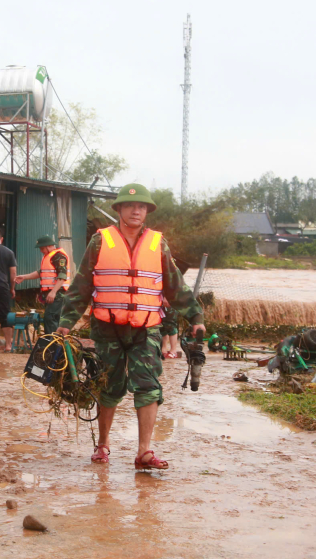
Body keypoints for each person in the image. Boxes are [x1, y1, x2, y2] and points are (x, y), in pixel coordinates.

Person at [57, 183, 205, 471]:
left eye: (142, 207)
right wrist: (66, 322)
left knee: (148, 385)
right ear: (120, 210)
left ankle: (144, 451)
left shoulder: (157, 243)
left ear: (147, 212)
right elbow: (81, 285)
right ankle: (102, 444)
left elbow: (175, 285)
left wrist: (195, 316)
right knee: (109, 386)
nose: (136, 211)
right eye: (130, 206)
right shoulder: (100, 241)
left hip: (146, 328)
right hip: (106, 328)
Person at [14, 235, 70, 336]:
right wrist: (24, 277)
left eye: (42, 248)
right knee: (52, 318)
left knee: (50, 317)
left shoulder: (58, 256)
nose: (41, 251)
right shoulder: (49, 256)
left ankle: (52, 345)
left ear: (49, 246)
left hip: (58, 293)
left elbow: (62, 276)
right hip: (52, 294)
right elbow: (41, 273)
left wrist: (53, 292)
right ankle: (55, 345)